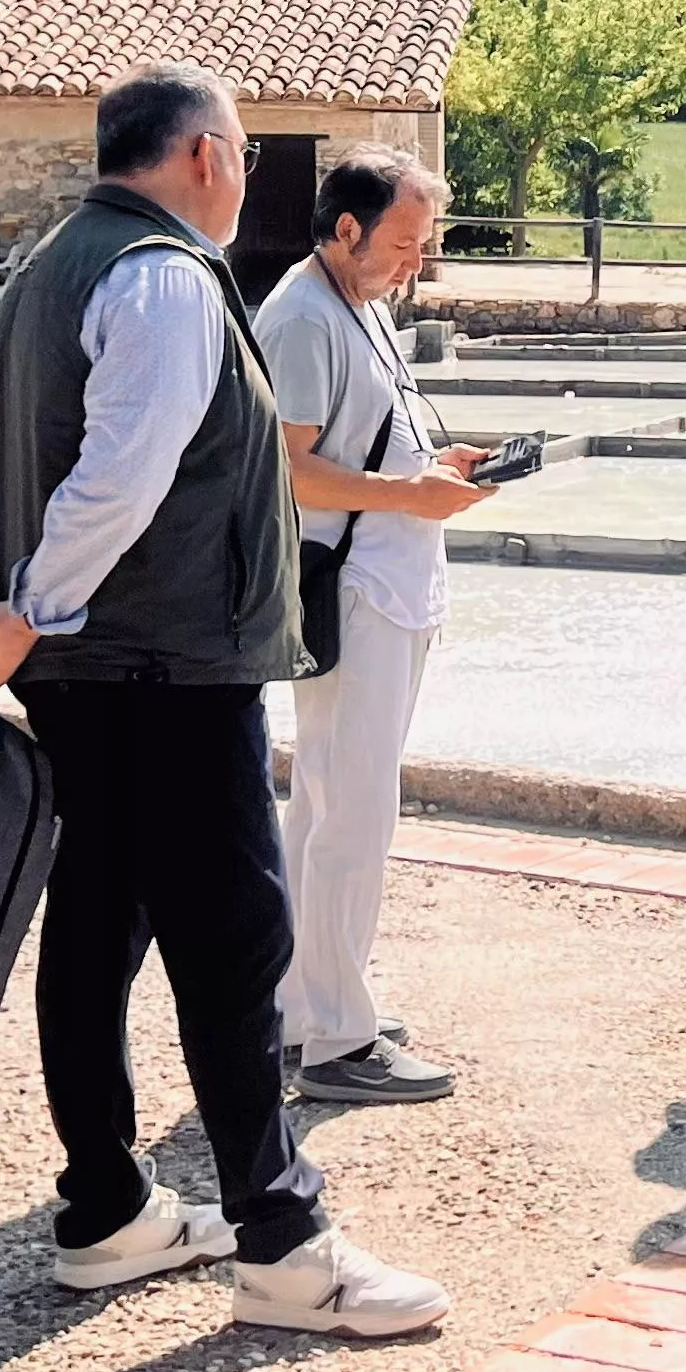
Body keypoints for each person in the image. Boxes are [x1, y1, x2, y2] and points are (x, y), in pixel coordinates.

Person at [0, 64, 450, 1338]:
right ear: (208, 157)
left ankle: (109, 1210)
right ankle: (284, 1245)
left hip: (89, 663)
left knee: (98, 925)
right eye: (235, 156)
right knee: (235, 944)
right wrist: (29, 601)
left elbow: (4, 454)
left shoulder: (52, 263)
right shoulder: (167, 277)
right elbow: (120, 472)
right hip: (164, 661)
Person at [256, 148, 491, 1109]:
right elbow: (290, 467)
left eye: (421, 245)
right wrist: (410, 493)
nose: (413, 262)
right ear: (345, 229)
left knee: (327, 801)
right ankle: (337, 1040)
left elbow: (364, 442)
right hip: (353, 588)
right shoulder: (305, 318)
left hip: (383, 578)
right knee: (350, 810)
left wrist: (436, 463)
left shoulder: (358, 303)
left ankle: (310, 1005)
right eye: (401, 243)